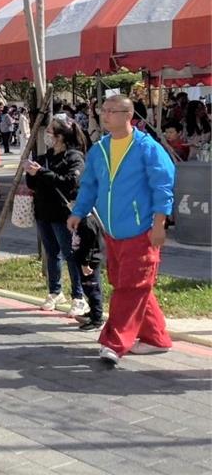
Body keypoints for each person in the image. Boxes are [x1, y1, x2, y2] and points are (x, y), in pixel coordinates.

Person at [68, 94, 175, 366]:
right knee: (133, 286)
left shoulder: (147, 148)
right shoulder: (100, 149)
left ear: (128, 116)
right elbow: (90, 185)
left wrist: (160, 224)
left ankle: (114, 342)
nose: (104, 115)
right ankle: (156, 338)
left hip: (143, 231)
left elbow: (162, 187)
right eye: (102, 110)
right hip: (112, 232)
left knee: (131, 286)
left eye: (111, 111)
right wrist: (78, 212)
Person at [24, 116, 91, 320]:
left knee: (70, 254)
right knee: (52, 254)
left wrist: (42, 173)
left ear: (60, 136)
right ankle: (55, 291)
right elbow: (34, 184)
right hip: (43, 212)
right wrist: (32, 173)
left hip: (63, 214)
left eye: (51, 131)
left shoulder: (74, 157)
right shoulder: (45, 156)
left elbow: (71, 182)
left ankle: (79, 297)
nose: (47, 135)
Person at [71, 208, 105, 331]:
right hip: (83, 260)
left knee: (93, 290)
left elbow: (88, 247)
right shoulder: (82, 219)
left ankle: (97, 320)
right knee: (87, 288)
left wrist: (85, 263)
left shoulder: (87, 223)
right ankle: (92, 313)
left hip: (90, 262)